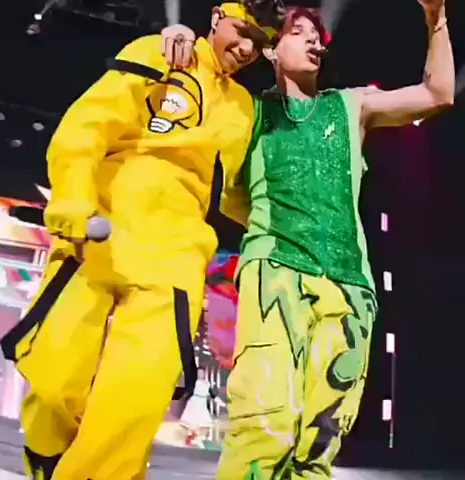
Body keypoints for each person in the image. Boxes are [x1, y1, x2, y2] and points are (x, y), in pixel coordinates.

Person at [161, 1, 454, 477]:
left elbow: (438, 93)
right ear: (271, 50)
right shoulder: (247, 112)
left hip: (349, 284)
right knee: (265, 421)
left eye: (318, 36)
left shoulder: (352, 105)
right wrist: (180, 38)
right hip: (275, 275)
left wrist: (435, 19)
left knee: (323, 433)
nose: (315, 41)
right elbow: (226, 191)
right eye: (300, 33)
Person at [0, 2, 285, 479]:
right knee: (53, 379)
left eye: (259, 44)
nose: (246, 49)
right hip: (101, 232)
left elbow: (235, 192)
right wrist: (72, 199)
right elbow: (88, 125)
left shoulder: (243, 107)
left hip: (175, 255)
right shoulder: (160, 53)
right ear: (217, 17)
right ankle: (47, 459)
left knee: (135, 400)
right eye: (241, 32)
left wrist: (285, 231)